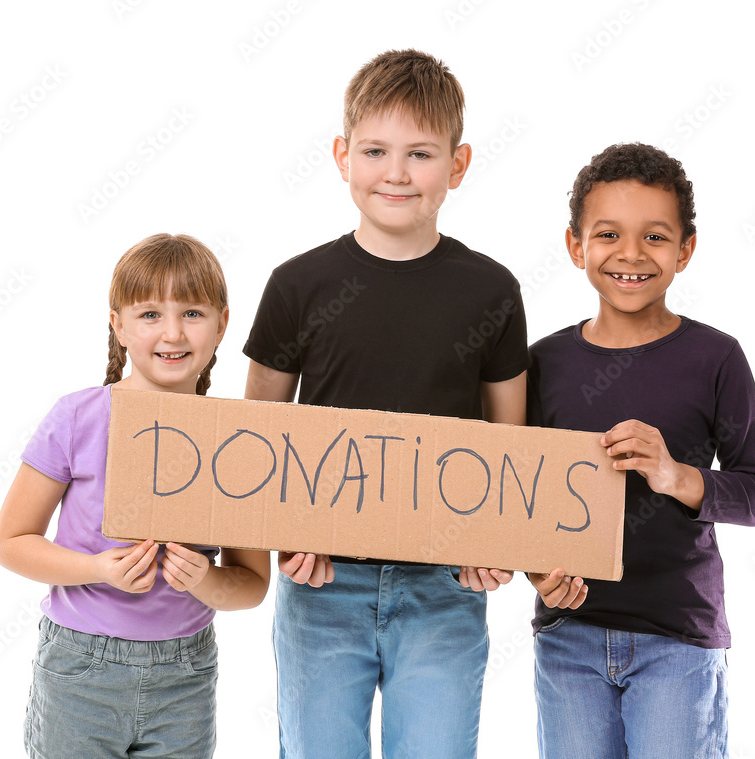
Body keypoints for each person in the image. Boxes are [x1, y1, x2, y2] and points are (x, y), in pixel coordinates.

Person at [243, 49, 530, 759]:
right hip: (323, 585)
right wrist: (282, 531)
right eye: (375, 150)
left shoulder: (491, 292)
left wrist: (500, 545)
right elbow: (253, 444)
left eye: (420, 153)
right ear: (343, 156)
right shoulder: (296, 286)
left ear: (457, 165)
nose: (396, 173)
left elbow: (513, 446)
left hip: (443, 589)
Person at [527, 143, 755, 758]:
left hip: (679, 642)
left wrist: (675, 476)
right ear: (574, 246)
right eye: (608, 233)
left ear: (685, 250)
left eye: (656, 237)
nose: (631, 254)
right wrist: (538, 575)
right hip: (569, 637)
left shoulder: (715, 358)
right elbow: (517, 500)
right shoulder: (544, 363)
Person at [0, 233, 271, 759]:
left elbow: (253, 584)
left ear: (222, 325)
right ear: (117, 324)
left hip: (185, 674)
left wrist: (206, 580)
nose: (172, 332)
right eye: (149, 315)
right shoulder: (78, 417)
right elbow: (11, 540)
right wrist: (98, 569)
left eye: (192, 312)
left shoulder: (237, 439)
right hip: (80, 668)